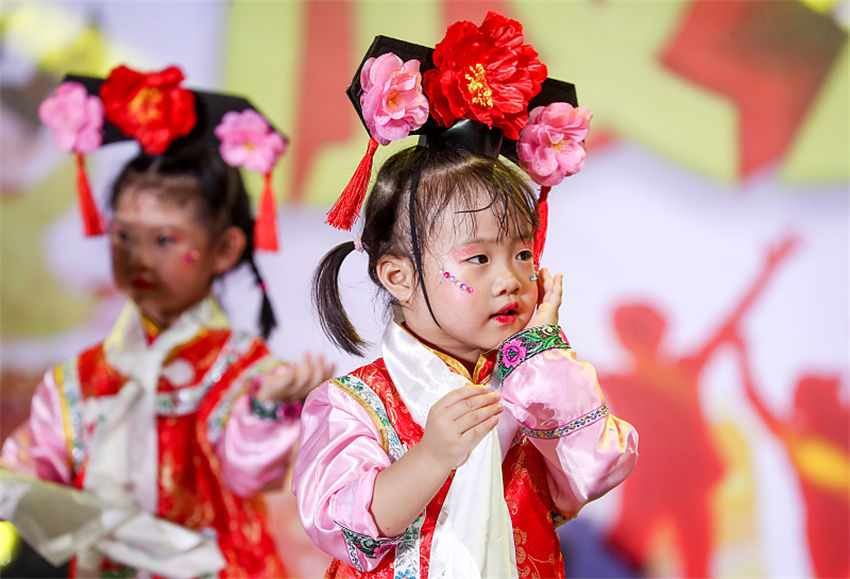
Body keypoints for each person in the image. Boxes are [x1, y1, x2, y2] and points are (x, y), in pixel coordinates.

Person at [292, 12, 638, 578]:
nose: (509, 279)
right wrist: (429, 457)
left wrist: (546, 356)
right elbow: (340, 525)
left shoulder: (527, 384)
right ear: (399, 276)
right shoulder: (355, 404)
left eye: (522, 254)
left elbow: (591, 474)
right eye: (477, 259)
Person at [0, 65, 334, 578]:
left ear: (223, 249)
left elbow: (250, 473)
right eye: (125, 237)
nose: (138, 260)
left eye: (164, 241)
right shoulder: (82, 376)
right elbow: (23, 474)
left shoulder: (241, 368)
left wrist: (268, 411)